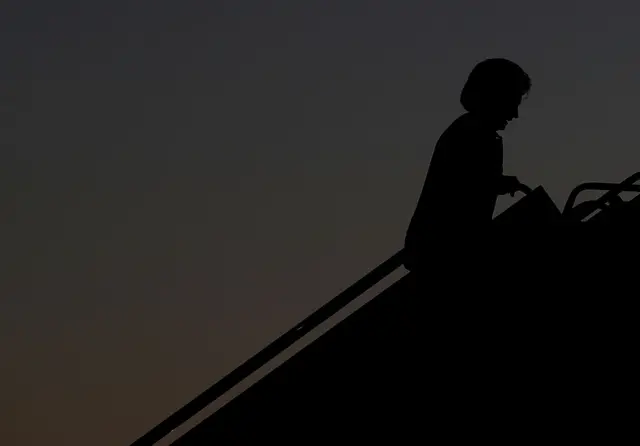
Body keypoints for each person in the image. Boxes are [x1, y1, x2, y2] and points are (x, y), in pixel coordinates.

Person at [403, 58, 532, 272]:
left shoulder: (475, 133)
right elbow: (464, 186)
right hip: (442, 255)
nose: (515, 114)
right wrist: (496, 183)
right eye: (513, 101)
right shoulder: (471, 133)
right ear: (495, 96)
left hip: (442, 253)